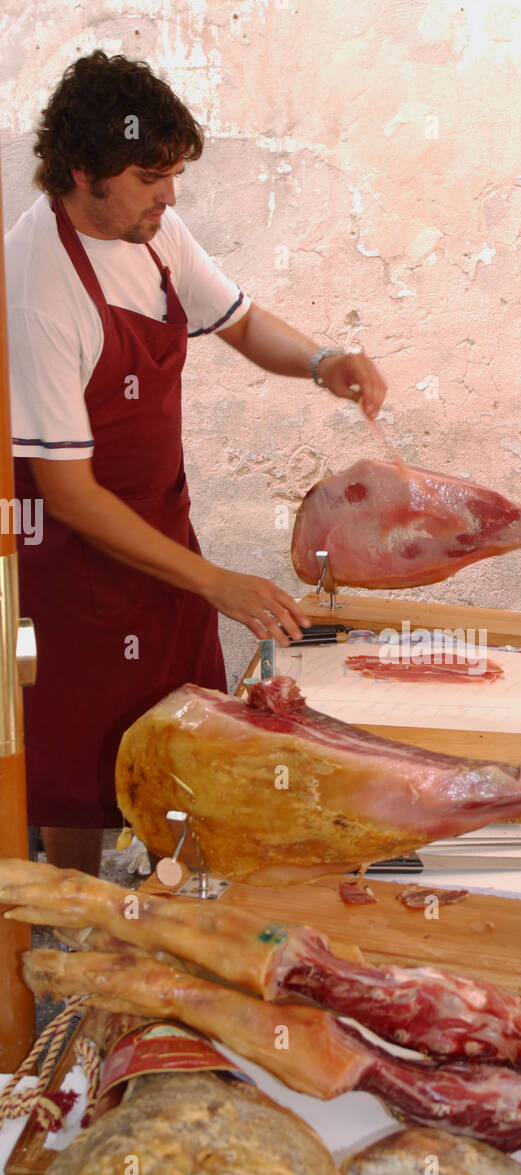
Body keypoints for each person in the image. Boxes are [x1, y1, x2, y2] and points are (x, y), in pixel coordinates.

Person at [7, 51, 386, 876]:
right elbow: (67, 493)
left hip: (161, 530)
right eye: (152, 176)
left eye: (173, 175)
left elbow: (241, 322)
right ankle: (79, 924)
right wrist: (217, 582)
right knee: (79, 766)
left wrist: (323, 361)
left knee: (180, 737)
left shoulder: (148, 228)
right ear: (83, 172)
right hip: (74, 565)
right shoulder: (38, 283)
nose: (170, 196)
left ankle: (171, 890)